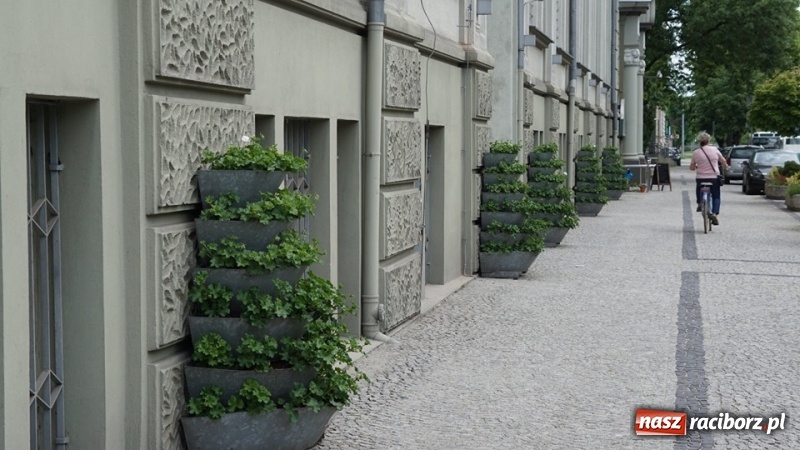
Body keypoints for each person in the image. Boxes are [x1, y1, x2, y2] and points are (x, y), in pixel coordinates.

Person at [689, 132, 729, 225]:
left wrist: (694, 167)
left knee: (699, 188)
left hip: (701, 178)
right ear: (709, 140)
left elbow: (692, 167)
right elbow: (723, 161)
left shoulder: (696, 152)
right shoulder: (715, 150)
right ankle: (714, 213)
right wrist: (726, 166)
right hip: (714, 178)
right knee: (716, 196)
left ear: (699, 141)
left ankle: (699, 203)